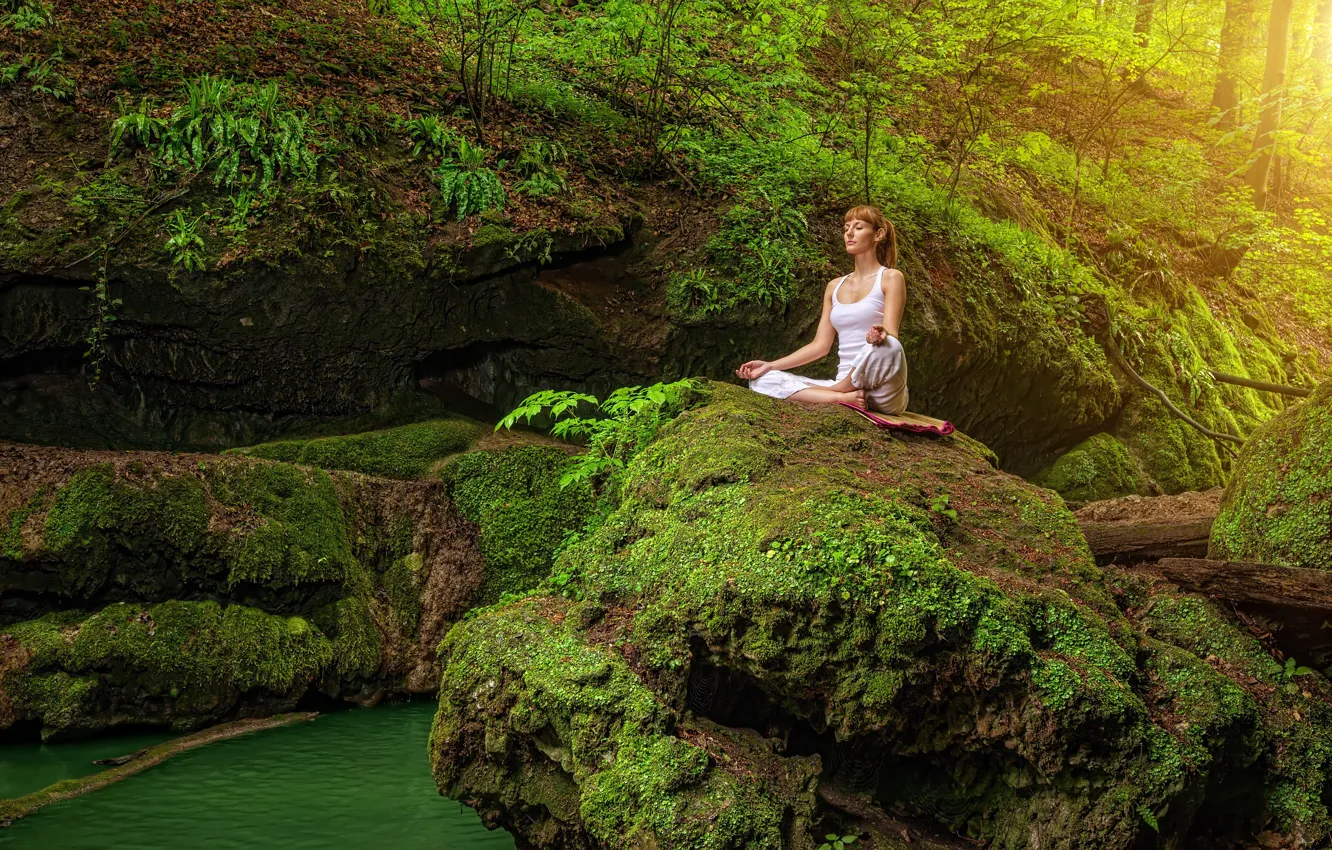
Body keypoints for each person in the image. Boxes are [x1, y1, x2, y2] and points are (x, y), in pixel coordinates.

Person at [736, 205, 908, 414]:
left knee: (891, 346)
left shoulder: (891, 278)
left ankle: (835, 391)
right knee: (761, 381)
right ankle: (840, 397)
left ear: (878, 234)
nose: (849, 233)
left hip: (882, 389)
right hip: (846, 388)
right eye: (846, 228)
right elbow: (820, 346)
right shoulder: (834, 287)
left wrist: (880, 336)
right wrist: (770, 365)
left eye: (859, 227)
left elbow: (892, 334)